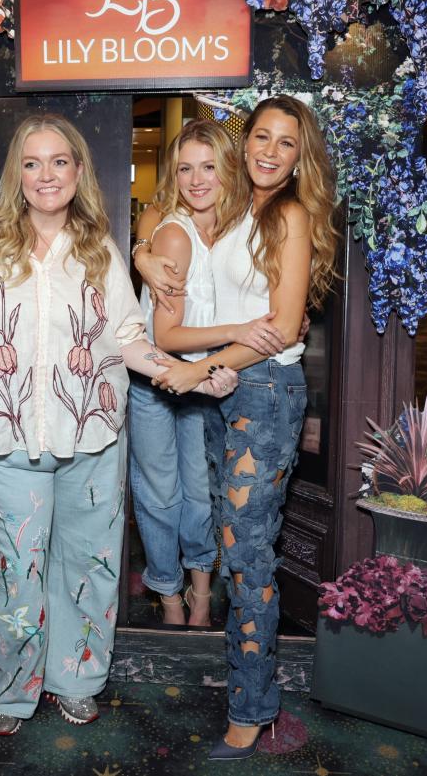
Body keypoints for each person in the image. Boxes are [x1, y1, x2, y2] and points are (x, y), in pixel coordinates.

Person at [0, 114, 235, 736]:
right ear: (16, 175)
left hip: (91, 435)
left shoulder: (99, 248)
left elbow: (130, 339)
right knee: (18, 569)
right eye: (32, 163)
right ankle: (12, 686)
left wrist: (193, 372)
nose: (46, 174)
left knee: (89, 565)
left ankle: (77, 677)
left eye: (60, 161)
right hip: (7, 436)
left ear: (79, 170)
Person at [152, 95, 339, 760]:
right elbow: (164, 213)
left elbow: (284, 329)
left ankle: (253, 707)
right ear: (246, 141)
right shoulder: (239, 209)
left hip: (263, 392)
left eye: (286, 144)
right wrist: (149, 260)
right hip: (231, 391)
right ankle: (248, 688)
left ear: (298, 158)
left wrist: (195, 371)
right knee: (239, 551)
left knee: (250, 554)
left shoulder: (289, 213)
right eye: (262, 136)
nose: (270, 151)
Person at [128, 120, 293, 627]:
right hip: (156, 380)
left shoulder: (237, 222)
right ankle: (171, 596)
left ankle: (201, 591)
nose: (197, 180)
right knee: (161, 498)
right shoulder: (175, 235)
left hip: (207, 380)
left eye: (208, 167)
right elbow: (166, 337)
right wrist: (240, 331)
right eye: (184, 169)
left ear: (229, 171)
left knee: (200, 495)